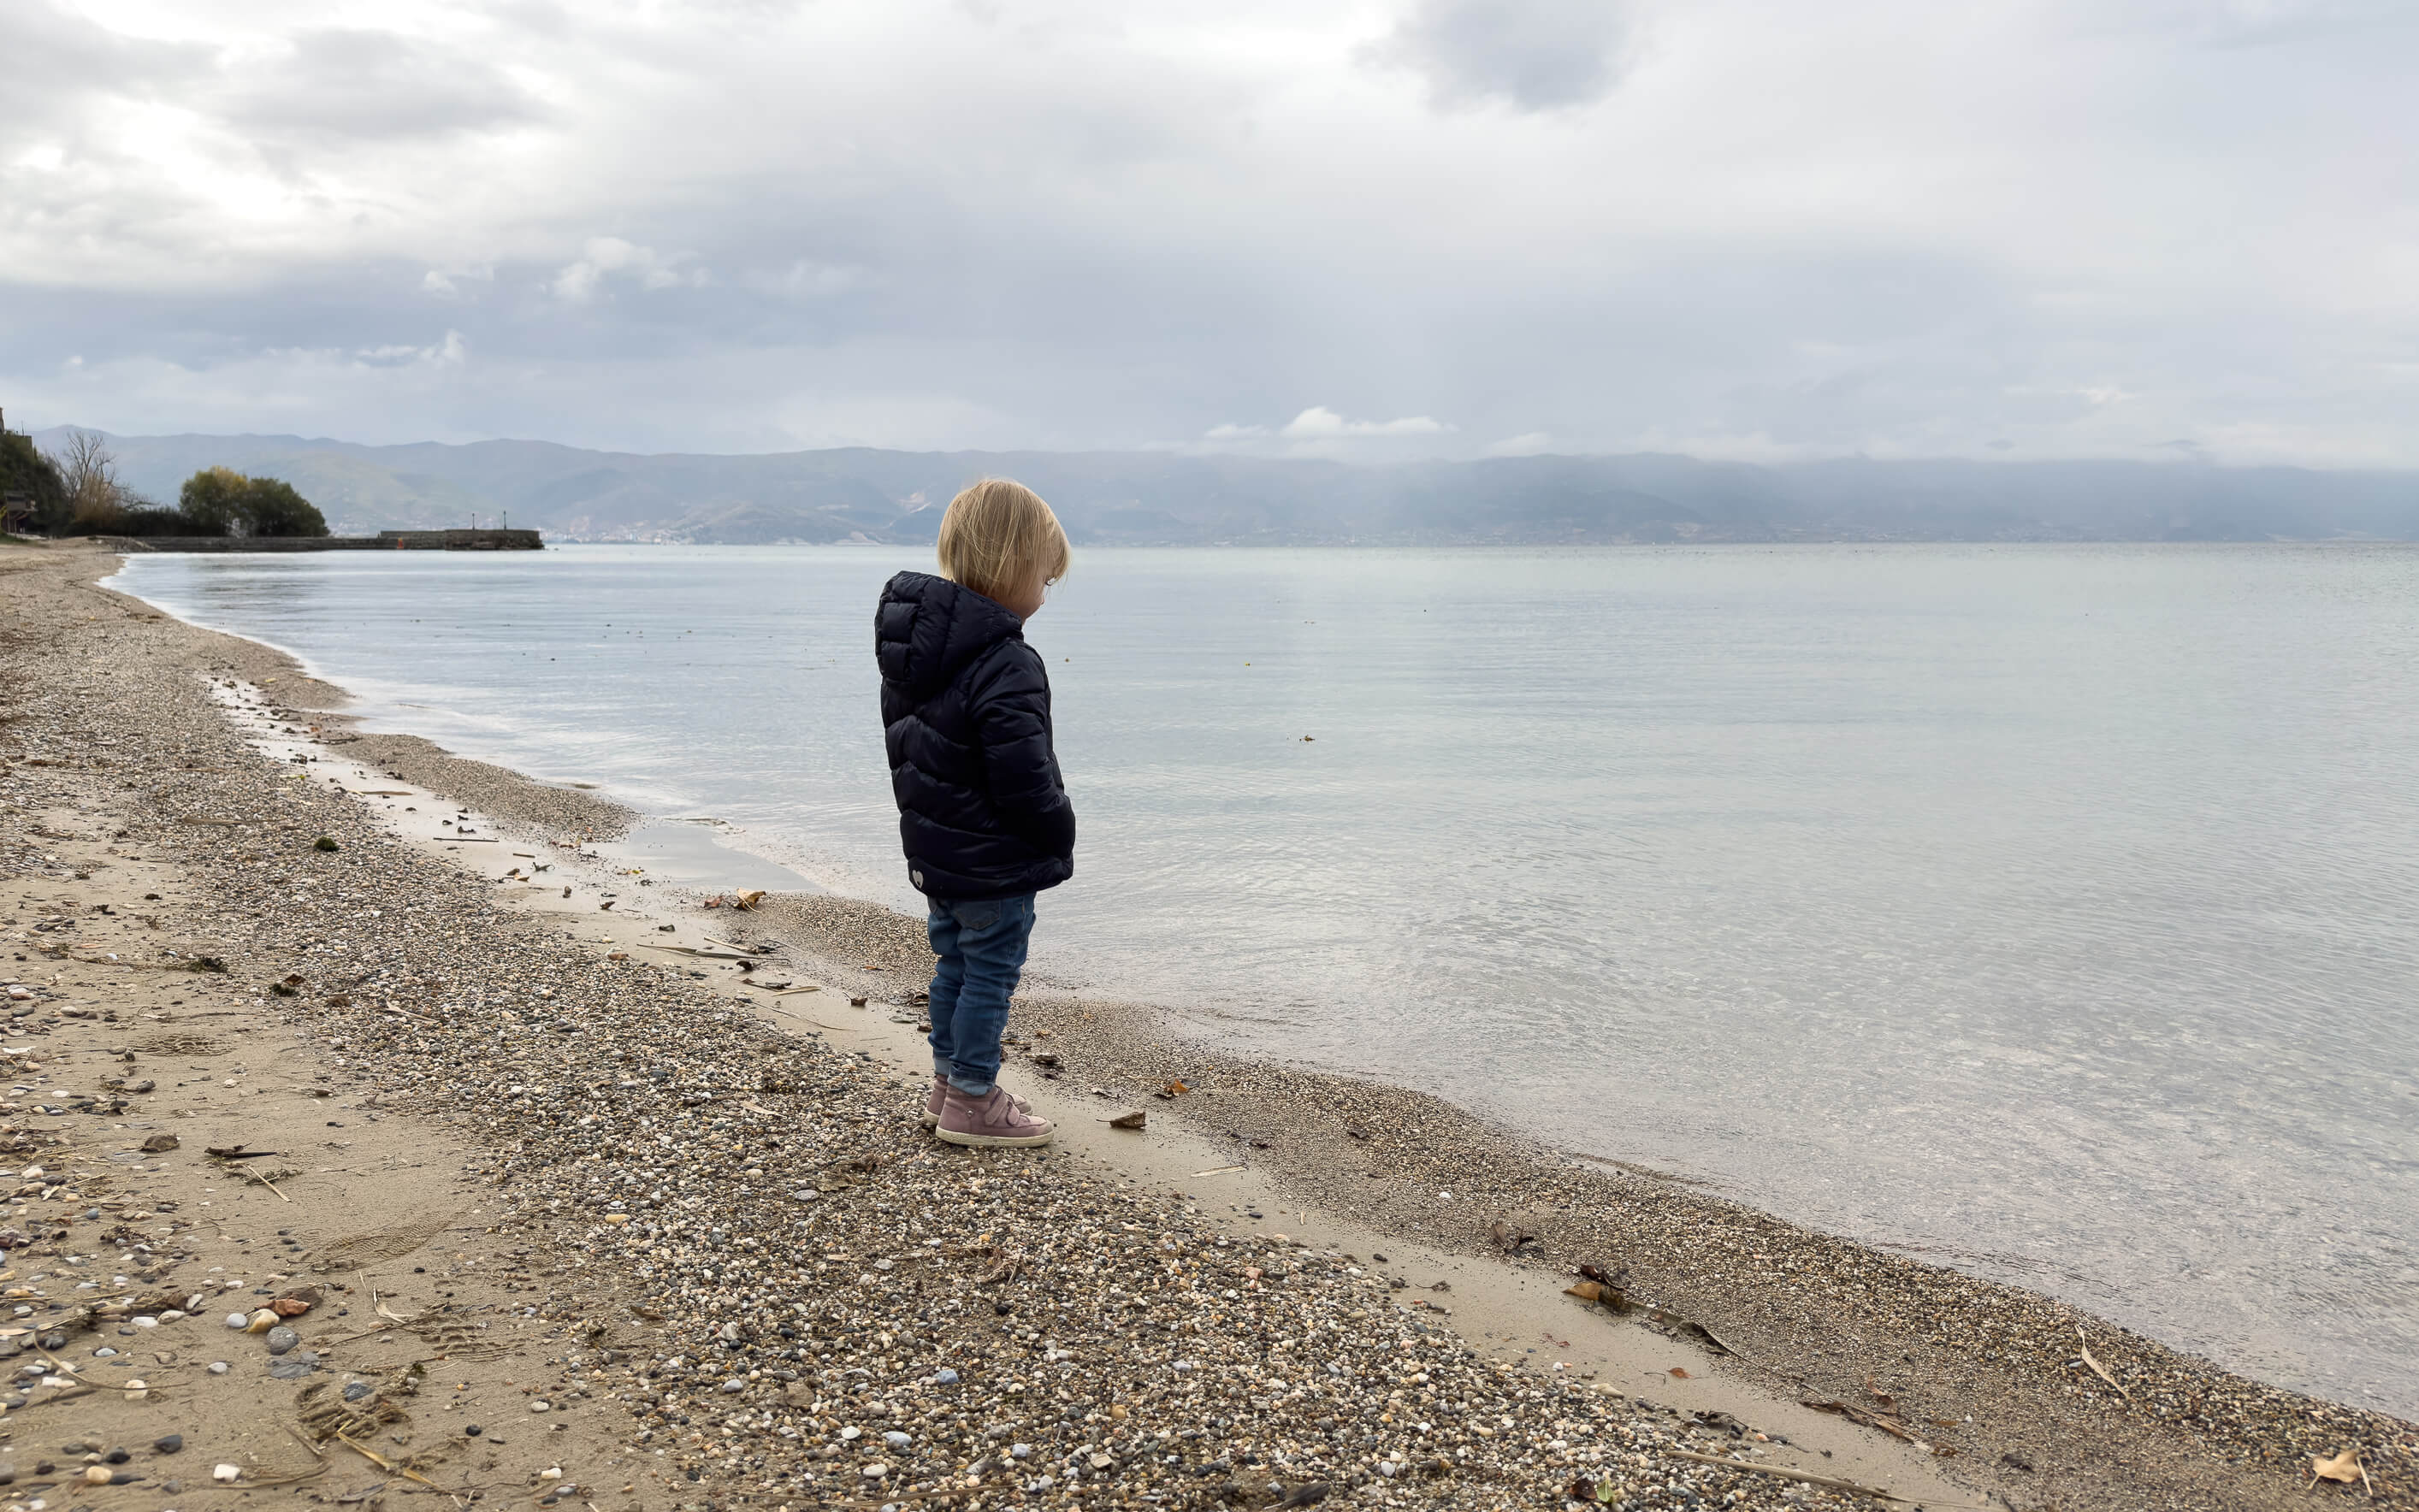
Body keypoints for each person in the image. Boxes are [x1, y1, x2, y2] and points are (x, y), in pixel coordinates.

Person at [876, 478, 1074, 1148]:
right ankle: (973, 1100)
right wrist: (1057, 826)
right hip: (995, 859)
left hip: (938, 852)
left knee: (954, 967)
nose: (1046, 594)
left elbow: (914, 755)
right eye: (1045, 578)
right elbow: (1023, 773)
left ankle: (947, 1084)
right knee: (989, 973)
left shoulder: (916, 654)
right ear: (1015, 564)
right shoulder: (1005, 660)